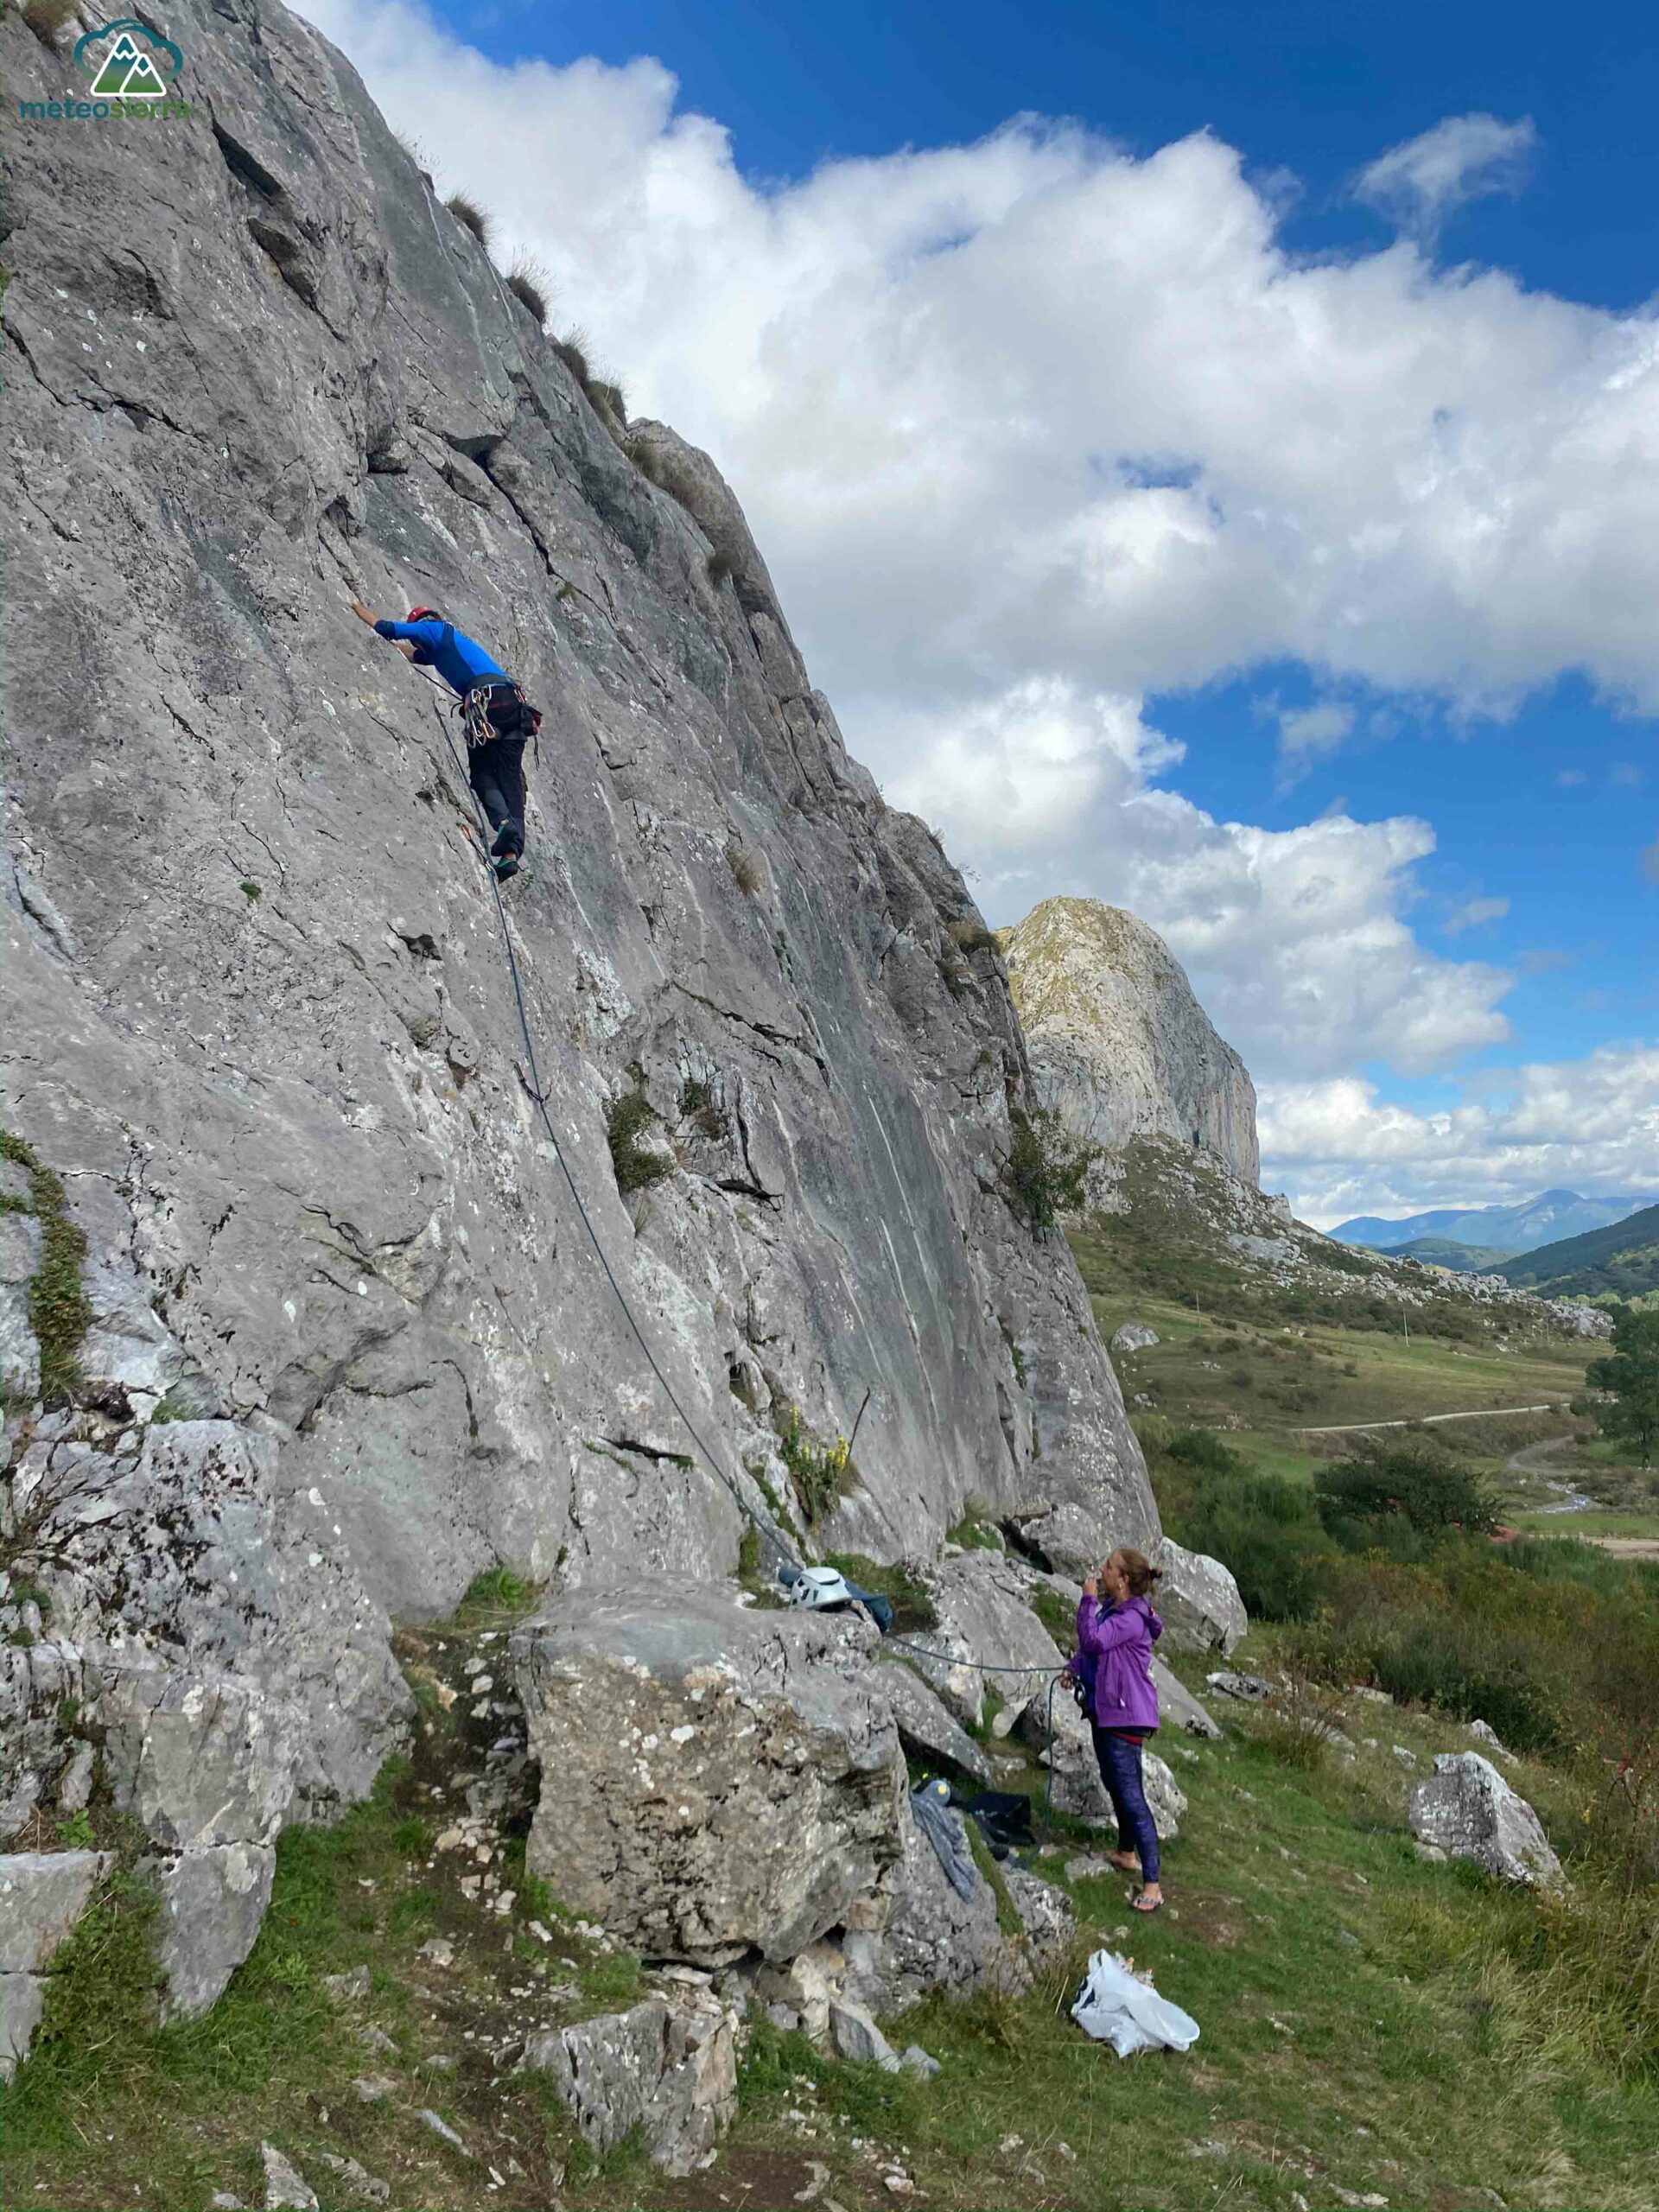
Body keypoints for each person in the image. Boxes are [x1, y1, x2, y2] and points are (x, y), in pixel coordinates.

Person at [349, 599, 539, 879]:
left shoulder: (434, 630)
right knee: (510, 783)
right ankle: (510, 856)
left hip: (488, 703)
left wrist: (355, 607)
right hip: (513, 706)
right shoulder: (442, 647)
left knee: (483, 773)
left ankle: (501, 822)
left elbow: (387, 628)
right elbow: (411, 653)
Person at [1072, 1547, 1166, 1912]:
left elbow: (1094, 1638)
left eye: (1109, 1566)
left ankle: (1153, 1885)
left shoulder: (1131, 1619)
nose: (1101, 1569)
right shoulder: (1116, 1610)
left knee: (1131, 1795)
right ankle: (1126, 1853)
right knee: (1115, 1783)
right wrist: (1072, 1668)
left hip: (1126, 1716)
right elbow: (1091, 1652)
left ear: (1124, 1580)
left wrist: (1087, 1599)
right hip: (1106, 1711)